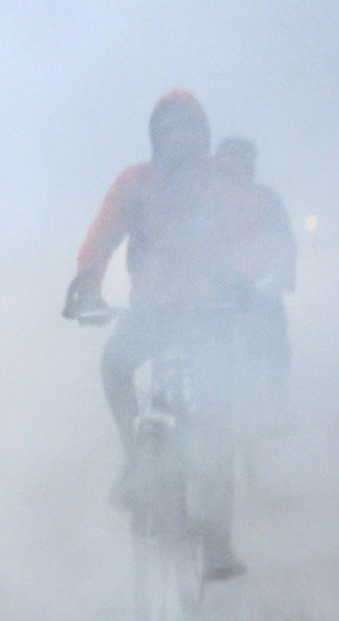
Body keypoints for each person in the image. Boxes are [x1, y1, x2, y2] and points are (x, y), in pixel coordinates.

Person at [62, 89, 248, 579]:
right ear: (155, 138)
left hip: (212, 315)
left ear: (203, 136)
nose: (180, 140)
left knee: (218, 426)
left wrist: (247, 284)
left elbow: (247, 237)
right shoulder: (134, 182)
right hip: (151, 311)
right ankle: (134, 460)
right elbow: (101, 238)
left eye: (189, 130)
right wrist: (85, 285)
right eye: (170, 131)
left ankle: (218, 541)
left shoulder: (222, 182)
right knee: (114, 365)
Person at [215, 136, 296, 436]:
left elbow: (285, 243)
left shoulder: (267, 198)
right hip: (217, 293)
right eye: (231, 157)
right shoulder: (207, 199)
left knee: (276, 345)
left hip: (260, 290)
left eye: (243, 158)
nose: (237, 164)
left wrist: (280, 279)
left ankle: (278, 407)